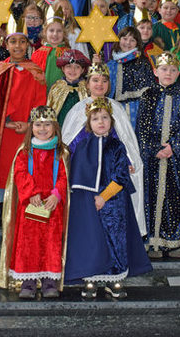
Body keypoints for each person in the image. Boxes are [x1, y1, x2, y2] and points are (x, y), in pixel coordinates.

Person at [65, 98, 152, 298]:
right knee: (92, 240)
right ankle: (91, 277)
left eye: (105, 118)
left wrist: (104, 196)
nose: (101, 122)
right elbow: (77, 176)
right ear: (89, 123)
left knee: (115, 239)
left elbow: (121, 175)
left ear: (111, 122)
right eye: (96, 119)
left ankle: (115, 278)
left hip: (114, 203)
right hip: (89, 203)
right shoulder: (82, 146)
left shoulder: (117, 146)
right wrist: (88, 199)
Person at [62, 63, 146, 237]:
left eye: (104, 80)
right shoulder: (78, 110)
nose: (99, 84)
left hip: (110, 171)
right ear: (87, 83)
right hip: (86, 171)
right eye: (95, 80)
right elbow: (70, 141)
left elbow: (124, 139)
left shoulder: (117, 109)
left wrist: (129, 161)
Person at [0, 106, 69, 298]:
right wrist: (31, 193)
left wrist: (56, 194)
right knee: (28, 245)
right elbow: (20, 174)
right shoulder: (24, 151)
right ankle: (27, 282)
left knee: (51, 244)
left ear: (55, 127)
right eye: (38, 124)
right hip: (30, 206)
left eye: (47, 124)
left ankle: (49, 282)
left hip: (52, 206)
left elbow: (64, 177)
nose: (43, 128)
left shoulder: (61, 152)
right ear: (31, 127)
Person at [136, 52, 180, 258]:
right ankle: (153, 242)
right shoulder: (148, 95)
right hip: (153, 159)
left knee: (175, 197)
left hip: (176, 160)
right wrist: (154, 149)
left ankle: (173, 241)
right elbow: (142, 128)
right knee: (151, 196)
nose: (168, 73)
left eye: (172, 70)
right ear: (155, 71)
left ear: (178, 72)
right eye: (164, 69)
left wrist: (173, 147)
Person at [0, 32, 46, 222]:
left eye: (22, 42)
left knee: (24, 170)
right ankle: (4, 212)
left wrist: (30, 125)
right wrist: (4, 122)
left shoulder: (35, 71)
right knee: (3, 170)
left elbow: (40, 102)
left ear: (28, 45)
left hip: (26, 132)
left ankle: (21, 213)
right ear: (5, 45)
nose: (18, 46)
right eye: (13, 41)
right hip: (3, 131)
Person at [107, 26, 156, 129]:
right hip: (114, 109)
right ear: (119, 39)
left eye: (132, 40)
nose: (128, 43)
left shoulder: (142, 63)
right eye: (125, 39)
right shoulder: (111, 64)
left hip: (136, 109)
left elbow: (150, 90)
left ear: (137, 44)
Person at [47, 49, 91, 127]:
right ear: (63, 69)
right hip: (61, 124)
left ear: (82, 70)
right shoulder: (57, 87)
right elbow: (50, 107)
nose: (72, 70)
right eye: (69, 66)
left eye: (77, 67)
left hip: (80, 127)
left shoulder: (87, 87)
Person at [31, 12, 70, 91]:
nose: (55, 34)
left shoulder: (69, 53)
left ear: (64, 34)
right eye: (51, 30)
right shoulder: (37, 54)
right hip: (41, 94)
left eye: (59, 31)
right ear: (45, 32)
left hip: (61, 95)